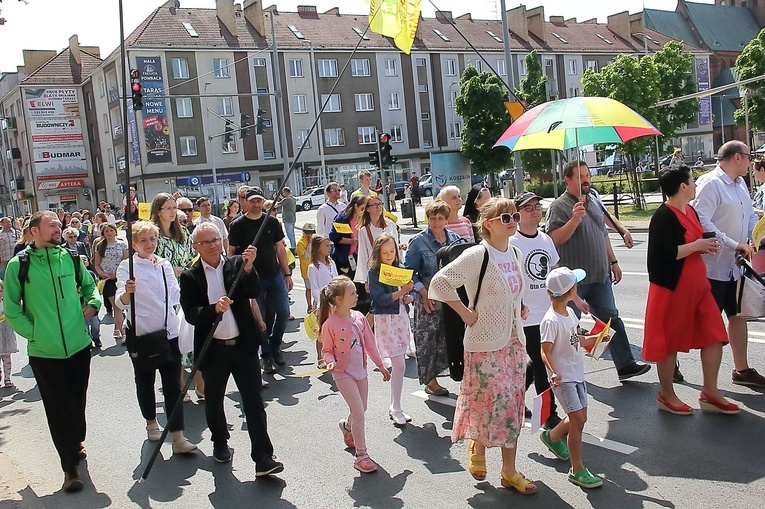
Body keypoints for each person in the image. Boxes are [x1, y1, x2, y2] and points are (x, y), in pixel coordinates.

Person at [429, 197, 535, 495]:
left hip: (514, 342)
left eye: (514, 215)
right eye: (506, 218)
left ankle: (509, 470)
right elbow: (440, 283)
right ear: (487, 224)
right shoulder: (478, 255)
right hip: (485, 343)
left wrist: (521, 306)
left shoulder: (514, 252)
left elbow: (513, 291)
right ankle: (477, 444)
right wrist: (464, 312)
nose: (513, 220)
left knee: (512, 406)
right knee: (491, 402)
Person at [4, 210, 100, 493]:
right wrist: (36, 333)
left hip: (79, 346)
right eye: (52, 225)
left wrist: (93, 305)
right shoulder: (18, 265)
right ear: (34, 231)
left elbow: (89, 286)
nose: (58, 228)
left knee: (77, 401)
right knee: (57, 408)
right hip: (45, 353)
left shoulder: (70, 257)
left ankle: (76, 440)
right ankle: (69, 468)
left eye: (59, 224)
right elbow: (11, 309)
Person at [180, 223, 284, 476]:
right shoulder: (190, 276)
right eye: (207, 242)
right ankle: (220, 441)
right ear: (196, 247)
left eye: (216, 239)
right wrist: (213, 309)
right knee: (214, 400)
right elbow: (191, 314)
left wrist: (249, 268)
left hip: (243, 345)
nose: (214, 245)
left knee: (254, 402)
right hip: (213, 349)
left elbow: (254, 291)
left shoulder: (236, 264)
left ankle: (263, 457)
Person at [644, 166, 738, 415]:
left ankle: (710, 391)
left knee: (714, 334)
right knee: (668, 342)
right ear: (682, 187)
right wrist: (696, 245)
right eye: (692, 181)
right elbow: (661, 256)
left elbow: (693, 244)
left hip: (698, 288)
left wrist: (704, 246)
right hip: (672, 289)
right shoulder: (663, 216)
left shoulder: (691, 210)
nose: (695, 184)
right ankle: (666, 394)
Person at [545, 160, 650, 381]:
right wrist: (574, 220)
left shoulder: (592, 200)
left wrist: (613, 261)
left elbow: (602, 234)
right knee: (565, 327)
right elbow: (553, 240)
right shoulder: (559, 206)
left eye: (587, 175)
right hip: (573, 281)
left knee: (611, 319)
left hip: (599, 274)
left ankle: (626, 365)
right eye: (580, 176)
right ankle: (560, 372)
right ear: (568, 179)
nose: (586, 180)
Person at [115, 221, 199, 454]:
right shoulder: (127, 266)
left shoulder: (164, 264)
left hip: (169, 331)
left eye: (152, 239)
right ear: (134, 244)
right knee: (145, 380)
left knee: (173, 384)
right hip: (143, 333)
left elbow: (174, 295)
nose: (149, 244)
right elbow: (119, 303)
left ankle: (178, 436)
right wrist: (126, 293)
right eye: (143, 240)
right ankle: (151, 422)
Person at [692, 140, 764, 387]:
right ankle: (674, 361)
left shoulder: (740, 183)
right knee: (703, 323)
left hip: (736, 266)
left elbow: (748, 217)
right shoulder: (710, 184)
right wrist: (734, 244)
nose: (750, 161)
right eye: (748, 156)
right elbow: (701, 220)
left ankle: (741, 369)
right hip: (713, 267)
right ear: (737, 157)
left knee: (737, 315)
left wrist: (756, 237)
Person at [539, 267, 603, 489]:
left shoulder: (570, 314)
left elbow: (578, 340)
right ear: (571, 291)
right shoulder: (550, 321)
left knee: (581, 417)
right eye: (576, 284)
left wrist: (598, 339)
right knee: (578, 422)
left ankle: (552, 436)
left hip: (577, 373)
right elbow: (544, 351)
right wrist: (554, 372)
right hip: (563, 378)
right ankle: (577, 469)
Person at [319, 276, 390, 473]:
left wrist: (381, 365)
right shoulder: (330, 324)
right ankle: (361, 455)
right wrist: (329, 361)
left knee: (362, 408)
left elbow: (370, 344)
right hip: (342, 374)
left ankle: (347, 426)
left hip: (361, 371)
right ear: (339, 299)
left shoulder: (359, 317)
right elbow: (326, 350)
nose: (357, 295)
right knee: (358, 411)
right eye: (352, 293)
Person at [509, 191, 563, 429]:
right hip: (526, 316)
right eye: (528, 207)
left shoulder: (545, 239)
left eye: (537, 206)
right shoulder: (511, 242)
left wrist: (573, 301)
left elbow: (555, 272)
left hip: (548, 314)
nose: (534, 211)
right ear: (517, 214)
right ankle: (549, 416)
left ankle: (516, 400)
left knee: (536, 365)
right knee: (542, 364)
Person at [228, 186, 293, 375]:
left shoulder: (271, 222)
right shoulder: (237, 224)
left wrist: (287, 274)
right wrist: (233, 273)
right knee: (261, 319)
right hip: (251, 278)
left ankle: (274, 346)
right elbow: (231, 252)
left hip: (274, 275)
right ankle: (266, 356)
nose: (256, 204)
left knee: (283, 313)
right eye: (253, 201)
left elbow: (280, 249)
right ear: (246, 202)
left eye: (259, 201)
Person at [403, 200, 460, 396]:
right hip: (427, 297)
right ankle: (431, 381)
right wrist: (423, 293)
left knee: (450, 340)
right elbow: (409, 271)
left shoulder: (455, 239)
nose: (436, 222)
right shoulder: (418, 242)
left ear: (446, 219)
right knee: (428, 341)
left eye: (441, 218)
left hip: (451, 298)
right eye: (433, 218)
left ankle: (456, 374)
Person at [368, 233, 415, 426]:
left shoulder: (400, 268)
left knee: (400, 363)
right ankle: (396, 407)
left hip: (401, 318)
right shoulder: (374, 272)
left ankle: (396, 405)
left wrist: (409, 296)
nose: (389, 255)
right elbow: (380, 299)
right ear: (378, 253)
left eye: (392, 251)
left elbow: (407, 292)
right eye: (385, 252)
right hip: (386, 320)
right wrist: (402, 292)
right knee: (399, 364)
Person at [329, 196, 369, 313]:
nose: (363, 211)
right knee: (349, 285)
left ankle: (362, 311)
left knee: (362, 286)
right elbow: (333, 236)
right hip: (346, 258)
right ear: (355, 206)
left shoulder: (363, 218)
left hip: (360, 257)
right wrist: (351, 241)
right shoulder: (343, 218)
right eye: (362, 208)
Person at [353, 195, 401, 289]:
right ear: (367, 209)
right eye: (374, 205)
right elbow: (363, 255)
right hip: (376, 271)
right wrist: (366, 280)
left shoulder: (390, 224)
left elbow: (396, 250)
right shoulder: (363, 230)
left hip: (392, 269)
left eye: (380, 204)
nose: (378, 207)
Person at [94, 223, 128, 343]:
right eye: (106, 231)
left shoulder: (122, 245)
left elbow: (125, 261)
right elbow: (97, 264)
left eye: (111, 230)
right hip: (108, 280)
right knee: (117, 307)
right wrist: (103, 274)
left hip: (120, 278)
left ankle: (116, 328)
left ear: (115, 231)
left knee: (122, 306)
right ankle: (124, 334)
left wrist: (118, 272)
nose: (109, 233)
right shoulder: (100, 246)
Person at [308, 234, 337, 367]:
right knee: (321, 331)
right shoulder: (313, 267)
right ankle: (320, 357)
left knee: (335, 330)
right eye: (326, 245)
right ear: (318, 248)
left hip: (335, 302)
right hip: (322, 303)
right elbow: (314, 288)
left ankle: (332, 355)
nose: (329, 248)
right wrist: (320, 302)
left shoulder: (332, 263)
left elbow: (336, 280)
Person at [151, 193, 194, 278]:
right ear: (158, 211)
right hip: (163, 285)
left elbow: (191, 258)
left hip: (185, 284)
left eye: (174, 208)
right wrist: (170, 271)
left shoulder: (184, 231)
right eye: (168, 208)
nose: (173, 211)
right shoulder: (151, 235)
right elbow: (147, 265)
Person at [0, 279, 18, 387]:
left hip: (6, 330)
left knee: (6, 356)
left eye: (0, 290)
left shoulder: (5, 302)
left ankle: (8, 378)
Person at [296, 222, 316, 314]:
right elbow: (304, 256)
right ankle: (309, 305)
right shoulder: (301, 242)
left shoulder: (315, 238)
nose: (310, 235)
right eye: (308, 233)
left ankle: (317, 305)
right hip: (306, 269)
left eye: (311, 232)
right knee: (309, 288)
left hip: (316, 267)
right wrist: (310, 245)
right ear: (304, 232)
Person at [279, 187, 298, 252]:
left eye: (283, 192)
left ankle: (293, 248)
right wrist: (282, 198)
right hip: (292, 218)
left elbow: (278, 205)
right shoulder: (292, 199)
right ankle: (294, 247)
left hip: (287, 219)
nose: (283, 194)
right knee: (292, 234)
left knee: (290, 234)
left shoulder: (287, 200)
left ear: (286, 192)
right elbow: (285, 202)